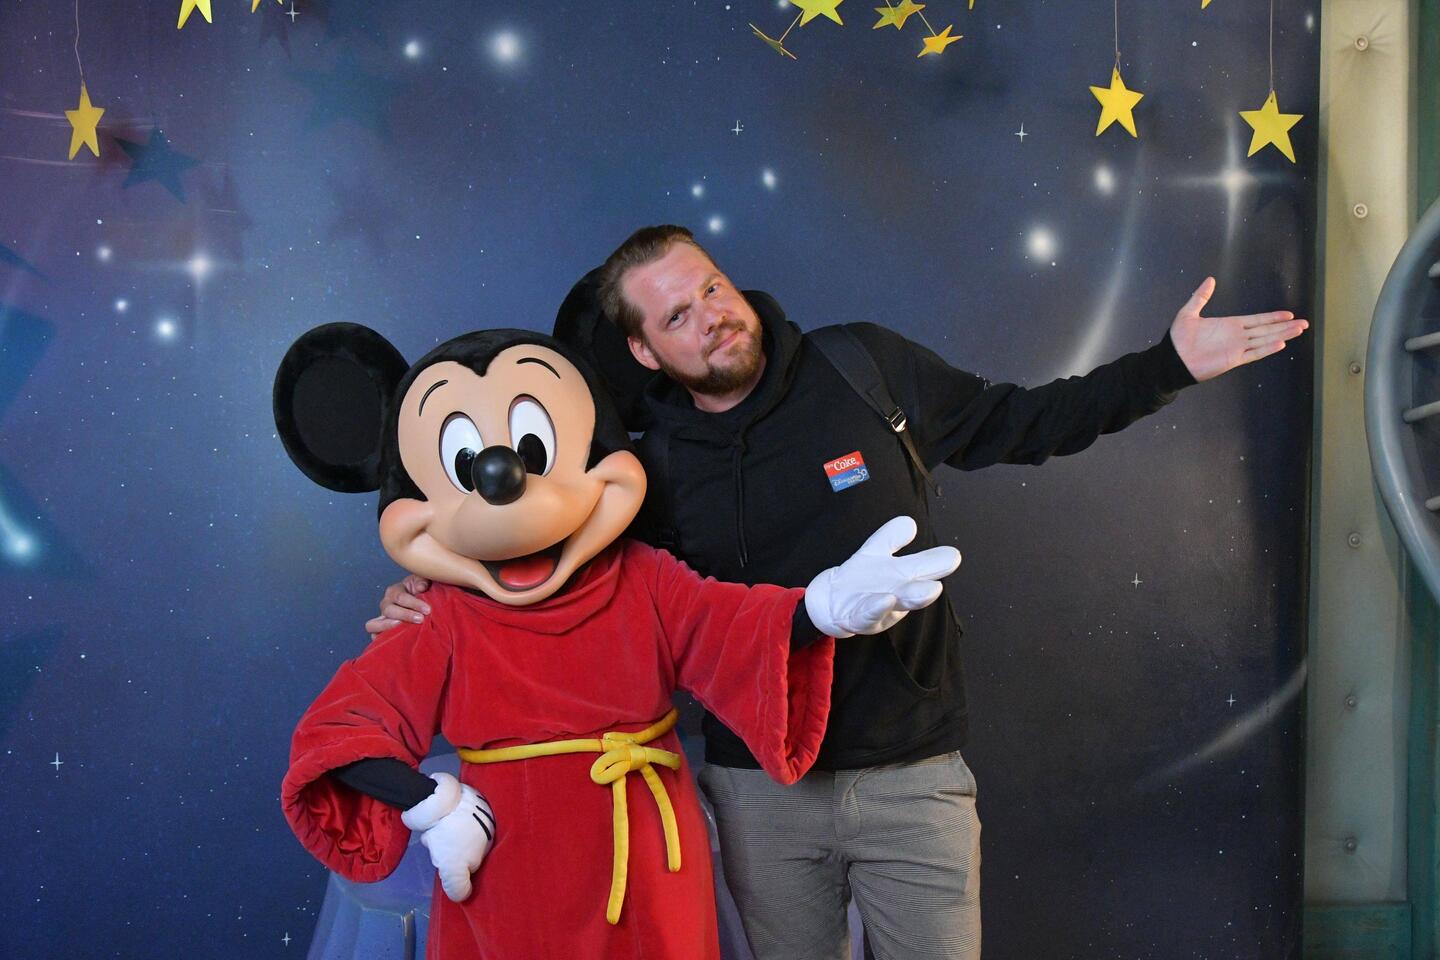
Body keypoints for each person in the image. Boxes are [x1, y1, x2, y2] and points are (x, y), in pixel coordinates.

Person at [371, 225, 1309, 960]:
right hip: (760, 794)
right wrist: (430, 596)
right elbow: (565, 590)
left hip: (913, 775)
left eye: (712, 288)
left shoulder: (863, 369)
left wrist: (1167, 365)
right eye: (678, 316)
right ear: (644, 352)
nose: (712, 316)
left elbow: (1025, 422)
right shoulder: (651, 468)